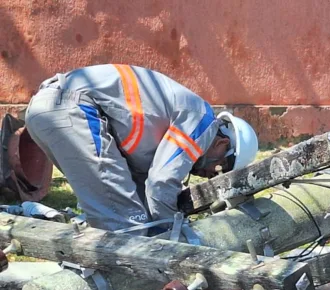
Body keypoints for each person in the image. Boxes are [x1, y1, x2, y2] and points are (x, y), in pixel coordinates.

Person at [24, 64, 258, 232]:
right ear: (222, 143)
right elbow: (160, 183)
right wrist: (171, 235)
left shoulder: (162, 133)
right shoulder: (202, 120)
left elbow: (143, 187)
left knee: (117, 215)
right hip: (72, 109)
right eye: (223, 166)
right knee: (128, 228)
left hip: (44, 110)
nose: (212, 174)